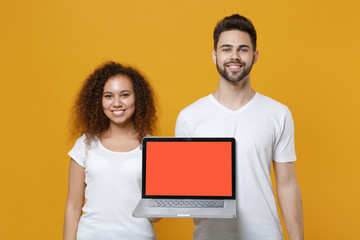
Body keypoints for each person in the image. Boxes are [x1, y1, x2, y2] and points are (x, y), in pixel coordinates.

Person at [175, 14, 303, 240]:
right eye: (226, 49)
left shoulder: (278, 114)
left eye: (243, 49)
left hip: (265, 235)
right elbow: (186, 192)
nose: (234, 56)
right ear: (214, 55)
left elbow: (287, 183)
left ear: (255, 56)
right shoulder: (189, 118)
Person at [63, 61, 159, 240]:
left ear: (137, 97)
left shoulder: (153, 147)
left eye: (124, 95)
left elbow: (155, 216)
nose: (116, 103)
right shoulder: (85, 144)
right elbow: (73, 206)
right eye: (108, 96)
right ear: (98, 101)